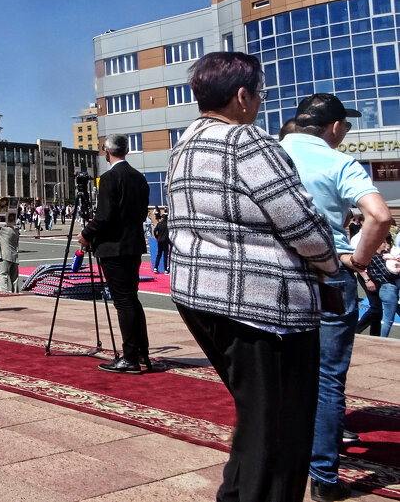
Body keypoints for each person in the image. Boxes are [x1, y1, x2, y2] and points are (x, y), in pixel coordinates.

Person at [167, 52, 339, 502]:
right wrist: (332, 265)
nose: (260, 103)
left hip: (201, 298)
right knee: (280, 435)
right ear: (242, 96)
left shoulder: (185, 144)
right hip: (263, 305)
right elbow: (301, 222)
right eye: (258, 93)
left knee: (257, 420)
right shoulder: (247, 141)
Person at [280, 92, 391, 502]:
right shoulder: (338, 162)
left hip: (277, 278)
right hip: (329, 274)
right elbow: (380, 216)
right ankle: (323, 476)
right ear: (335, 127)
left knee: (280, 371)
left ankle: (276, 462)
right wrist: (359, 260)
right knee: (327, 377)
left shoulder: (269, 155)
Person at [78, 133, 150, 375]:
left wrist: (86, 234)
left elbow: (105, 216)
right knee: (132, 298)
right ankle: (141, 353)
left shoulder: (109, 178)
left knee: (123, 301)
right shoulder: (139, 177)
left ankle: (130, 357)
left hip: (113, 248)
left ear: (106, 152)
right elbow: (140, 215)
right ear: (126, 151)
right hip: (132, 246)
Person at [0, 215, 20, 293]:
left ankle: (4, 293)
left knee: (3, 275)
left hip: (5, 255)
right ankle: (16, 293)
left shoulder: (4, 229)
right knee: (14, 278)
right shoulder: (16, 230)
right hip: (14, 256)